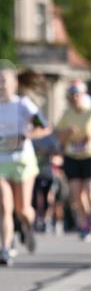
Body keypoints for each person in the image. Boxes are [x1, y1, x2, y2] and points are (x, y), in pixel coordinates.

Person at [0, 67, 48, 265]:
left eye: (4, 81)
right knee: (3, 208)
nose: (0, 84)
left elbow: (43, 126)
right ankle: (5, 248)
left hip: (22, 161)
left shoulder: (23, 105)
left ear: (14, 84)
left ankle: (28, 227)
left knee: (23, 209)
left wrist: (27, 135)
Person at [56, 80, 91, 240]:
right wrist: (68, 133)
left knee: (89, 191)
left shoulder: (89, 112)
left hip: (89, 156)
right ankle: (85, 225)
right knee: (77, 196)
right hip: (72, 157)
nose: (75, 97)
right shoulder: (66, 114)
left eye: (78, 94)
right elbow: (60, 140)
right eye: (72, 95)